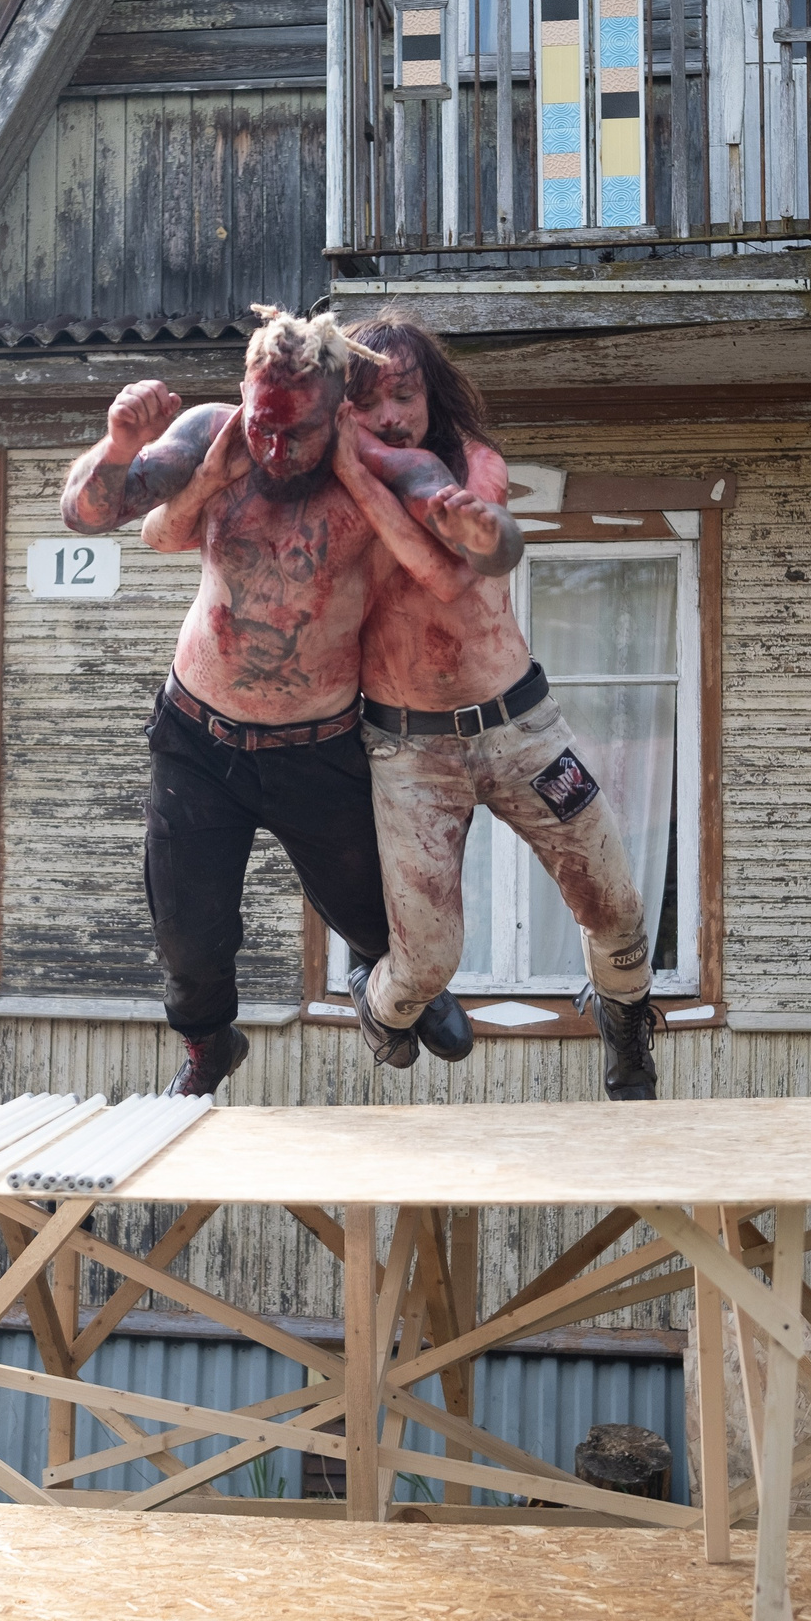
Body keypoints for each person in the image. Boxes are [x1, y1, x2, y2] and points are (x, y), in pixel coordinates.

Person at [60, 306, 489, 1092]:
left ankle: (388, 986)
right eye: (265, 425)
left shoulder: (373, 461)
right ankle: (208, 1047)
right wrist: (120, 445)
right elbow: (86, 513)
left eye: (300, 431)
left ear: (340, 412)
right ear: (246, 400)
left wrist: (467, 515)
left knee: (377, 916)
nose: (277, 448)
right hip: (198, 736)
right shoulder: (209, 437)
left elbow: (442, 506)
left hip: (314, 745)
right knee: (189, 941)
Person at [327, 313, 661, 1098]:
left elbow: (460, 561)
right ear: (341, 408)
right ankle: (378, 1003)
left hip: (521, 730)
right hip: (408, 750)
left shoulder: (476, 465)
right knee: (425, 964)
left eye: (405, 395)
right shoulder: (329, 494)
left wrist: (363, 468)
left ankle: (625, 1023)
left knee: (616, 907)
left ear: (433, 396)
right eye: (368, 403)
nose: (390, 418)